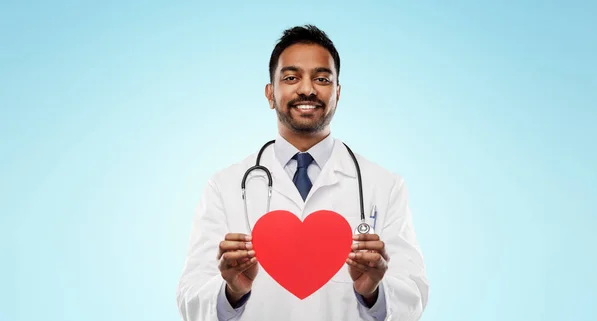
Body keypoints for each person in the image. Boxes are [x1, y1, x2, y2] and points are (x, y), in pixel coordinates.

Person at [176, 24, 429, 321]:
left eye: (321, 78)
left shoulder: (384, 186)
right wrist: (232, 292)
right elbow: (190, 298)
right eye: (291, 77)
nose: (307, 89)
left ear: (337, 93)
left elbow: (413, 296)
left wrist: (372, 292)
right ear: (270, 94)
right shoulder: (224, 186)